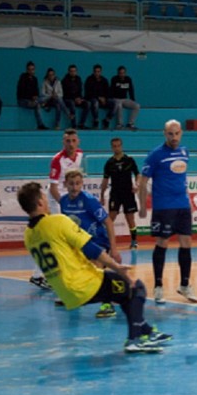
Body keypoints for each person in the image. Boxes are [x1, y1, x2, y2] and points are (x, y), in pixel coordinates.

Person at [17, 181, 172, 353]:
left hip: (64, 292)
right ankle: (134, 340)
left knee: (123, 295)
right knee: (136, 287)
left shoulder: (28, 235)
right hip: (83, 284)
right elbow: (91, 248)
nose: (47, 201)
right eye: (45, 198)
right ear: (40, 202)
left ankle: (146, 331)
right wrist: (116, 266)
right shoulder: (57, 222)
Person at [138, 120, 197, 304]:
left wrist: (188, 200)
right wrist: (142, 206)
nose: (174, 137)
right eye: (170, 134)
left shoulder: (184, 152)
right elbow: (142, 182)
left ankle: (185, 285)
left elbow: (182, 177)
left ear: (181, 133)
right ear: (165, 134)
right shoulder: (156, 155)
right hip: (164, 206)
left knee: (186, 242)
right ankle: (158, 287)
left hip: (182, 205)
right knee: (162, 242)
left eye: (177, 133)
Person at [60, 170, 121, 319]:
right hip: (80, 241)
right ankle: (75, 297)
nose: (75, 187)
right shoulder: (63, 201)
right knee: (70, 267)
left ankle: (108, 304)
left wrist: (113, 248)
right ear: (65, 184)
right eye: (71, 184)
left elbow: (108, 222)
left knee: (97, 268)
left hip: (98, 240)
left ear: (82, 184)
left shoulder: (88, 200)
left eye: (78, 184)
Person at [29, 128, 85, 290]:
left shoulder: (80, 154)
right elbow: (53, 188)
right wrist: (66, 205)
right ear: (63, 142)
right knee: (58, 238)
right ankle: (40, 275)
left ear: (78, 142)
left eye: (74, 140)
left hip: (69, 198)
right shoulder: (57, 160)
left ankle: (42, 274)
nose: (71, 144)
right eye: (68, 141)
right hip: (56, 200)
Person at [101, 137, 140, 250]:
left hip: (128, 192)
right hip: (115, 193)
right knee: (110, 218)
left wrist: (137, 184)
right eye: (114, 146)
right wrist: (102, 195)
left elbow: (138, 174)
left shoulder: (129, 160)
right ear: (112, 147)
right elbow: (105, 180)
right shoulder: (109, 163)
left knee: (130, 218)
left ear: (121, 146)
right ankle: (106, 241)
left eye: (118, 145)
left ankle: (133, 241)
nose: (117, 148)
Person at [17, 61, 47, 130]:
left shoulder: (35, 79)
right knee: (37, 104)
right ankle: (40, 124)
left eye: (32, 69)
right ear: (27, 70)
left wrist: (35, 96)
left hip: (33, 100)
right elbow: (22, 91)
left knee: (44, 97)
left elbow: (36, 91)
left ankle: (41, 104)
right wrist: (31, 97)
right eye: (29, 69)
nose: (31, 71)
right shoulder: (23, 78)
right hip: (23, 100)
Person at [110, 66, 140, 131]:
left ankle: (130, 123)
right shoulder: (114, 79)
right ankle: (120, 124)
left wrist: (132, 99)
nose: (122, 74)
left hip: (124, 99)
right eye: (120, 73)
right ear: (118, 73)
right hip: (116, 98)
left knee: (137, 106)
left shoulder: (128, 79)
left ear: (125, 73)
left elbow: (131, 89)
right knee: (119, 105)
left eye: (123, 73)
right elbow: (111, 90)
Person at [83, 64, 112, 129]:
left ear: (101, 72)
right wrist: (98, 97)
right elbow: (88, 92)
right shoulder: (89, 79)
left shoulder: (104, 80)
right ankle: (96, 120)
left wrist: (105, 98)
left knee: (115, 103)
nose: (97, 73)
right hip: (92, 98)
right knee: (95, 103)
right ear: (93, 72)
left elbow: (108, 92)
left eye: (98, 71)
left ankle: (107, 119)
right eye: (95, 71)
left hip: (103, 99)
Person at [61, 64, 84, 130]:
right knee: (72, 103)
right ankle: (74, 125)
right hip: (68, 99)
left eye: (74, 71)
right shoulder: (65, 81)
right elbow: (65, 93)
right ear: (69, 72)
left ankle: (82, 123)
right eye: (71, 71)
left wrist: (80, 98)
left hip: (77, 98)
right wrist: (75, 99)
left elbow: (80, 90)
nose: (73, 72)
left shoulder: (78, 79)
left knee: (88, 104)